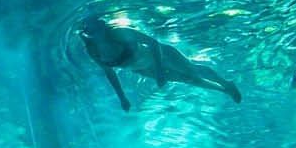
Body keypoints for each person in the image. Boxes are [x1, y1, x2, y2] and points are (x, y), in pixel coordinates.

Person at [78, 14, 243, 111]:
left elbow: (154, 43)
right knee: (189, 80)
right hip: (144, 69)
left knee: (192, 71)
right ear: (87, 33)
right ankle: (225, 90)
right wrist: (122, 97)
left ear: (103, 25)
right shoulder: (93, 50)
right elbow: (109, 72)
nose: (96, 33)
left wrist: (159, 71)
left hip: (162, 56)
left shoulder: (120, 33)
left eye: (97, 28)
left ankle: (225, 83)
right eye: (90, 31)